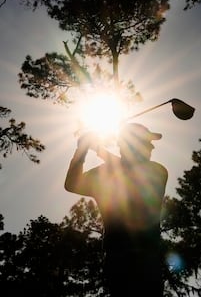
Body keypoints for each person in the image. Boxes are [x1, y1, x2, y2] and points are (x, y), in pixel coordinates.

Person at [64, 123, 168, 297]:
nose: (152, 148)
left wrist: (96, 148)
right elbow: (71, 184)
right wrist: (82, 151)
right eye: (147, 143)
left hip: (145, 258)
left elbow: (132, 171)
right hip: (122, 260)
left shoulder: (157, 171)